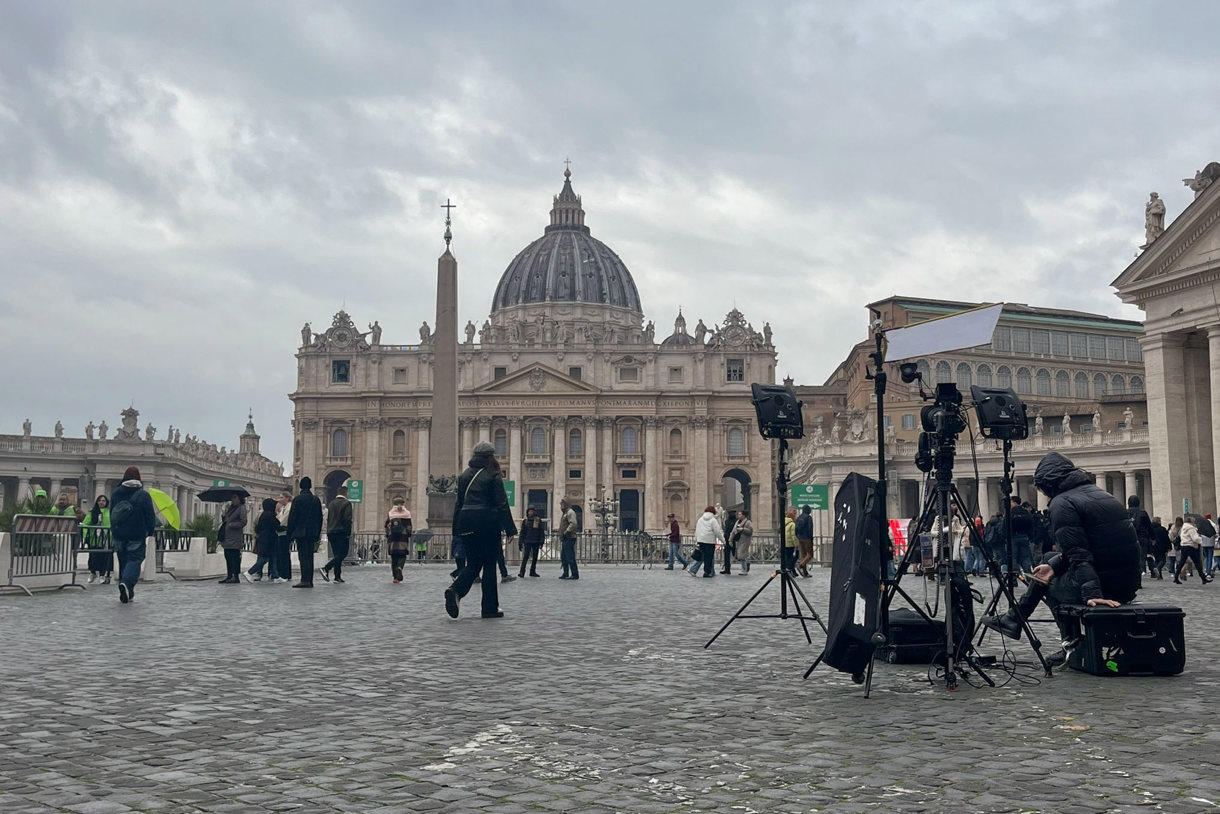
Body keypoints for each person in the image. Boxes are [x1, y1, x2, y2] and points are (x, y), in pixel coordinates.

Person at [983, 452, 1143, 666]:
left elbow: (1079, 554)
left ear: (1048, 483)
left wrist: (1092, 595)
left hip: (1106, 587)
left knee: (1046, 585)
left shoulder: (1062, 503)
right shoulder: (1101, 494)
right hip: (1126, 581)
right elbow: (1091, 547)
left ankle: (1070, 643)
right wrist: (1053, 566)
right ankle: (1015, 618)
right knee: (1048, 561)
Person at [444, 442, 517, 619]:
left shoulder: (463, 476)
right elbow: (501, 503)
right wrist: (510, 529)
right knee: (490, 565)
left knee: (474, 563)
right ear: (491, 456)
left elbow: (458, 505)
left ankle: (455, 590)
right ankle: (489, 608)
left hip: (466, 523)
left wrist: (456, 530)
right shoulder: (493, 475)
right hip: (487, 523)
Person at [109, 466, 157, 604]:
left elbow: (111, 513)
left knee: (123, 560)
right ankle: (127, 584)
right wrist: (150, 530)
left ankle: (128, 591)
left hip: (118, 533)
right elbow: (150, 516)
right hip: (136, 533)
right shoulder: (143, 495)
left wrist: (114, 529)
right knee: (135, 559)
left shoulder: (116, 493)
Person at [286, 477, 323, 588]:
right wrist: (318, 532)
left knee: (303, 557)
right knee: (310, 556)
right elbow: (319, 518)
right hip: (312, 532)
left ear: (300, 486)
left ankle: (304, 580)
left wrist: (290, 533)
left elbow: (292, 518)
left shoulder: (297, 499)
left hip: (300, 532)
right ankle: (310, 580)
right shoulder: (316, 499)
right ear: (310, 486)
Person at [245, 498, 284, 583]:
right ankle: (249, 572)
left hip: (265, 539)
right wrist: (287, 528)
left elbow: (257, 527)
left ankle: (275, 576)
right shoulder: (270, 515)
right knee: (264, 559)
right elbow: (277, 526)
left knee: (273, 557)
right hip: (268, 540)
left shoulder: (264, 514)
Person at [322, 485, 354, 583]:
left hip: (331, 531)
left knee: (337, 554)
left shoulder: (331, 503)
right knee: (343, 553)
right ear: (346, 493)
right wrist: (348, 532)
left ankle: (337, 576)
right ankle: (326, 568)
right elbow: (347, 519)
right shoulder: (347, 503)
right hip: (341, 532)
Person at [82, 495, 113, 585]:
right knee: (92, 556)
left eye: (103, 500)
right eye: (99, 500)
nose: (101, 502)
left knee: (104, 557)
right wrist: (86, 535)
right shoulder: (92, 512)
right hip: (94, 538)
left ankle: (102, 575)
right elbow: (85, 524)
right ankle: (93, 572)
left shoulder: (110, 512)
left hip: (106, 538)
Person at [218, 494, 248, 584]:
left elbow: (243, 521)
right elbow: (226, 520)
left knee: (234, 557)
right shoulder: (231, 508)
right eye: (232, 497)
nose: (233, 499)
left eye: (235, 497)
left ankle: (235, 576)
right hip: (227, 537)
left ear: (239, 498)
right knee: (228, 557)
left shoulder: (241, 508)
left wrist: (232, 525)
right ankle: (229, 575)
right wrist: (224, 516)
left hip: (235, 537)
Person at [688, 505, 724, 578]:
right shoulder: (713, 520)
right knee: (708, 557)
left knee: (703, 556)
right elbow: (717, 531)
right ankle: (707, 572)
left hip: (701, 540)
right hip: (709, 541)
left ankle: (710, 571)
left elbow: (697, 530)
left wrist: (696, 539)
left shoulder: (701, 519)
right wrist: (723, 540)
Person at [1173, 515, 1210, 585]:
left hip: (1184, 546)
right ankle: (1203, 578)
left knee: (1182, 562)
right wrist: (1200, 539)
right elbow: (1195, 538)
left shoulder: (1184, 527)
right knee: (1197, 563)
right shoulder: (1191, 528)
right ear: (1191, 521)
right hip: (1190, 546)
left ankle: (1176, 577)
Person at [1002, 497, 1035, 574]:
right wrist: (1030, 537)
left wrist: (1005, 538)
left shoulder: (1010, 512)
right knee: (1025, 559)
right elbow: (1032, 525)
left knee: (1013, 558)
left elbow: (1004, 526)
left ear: (1014, 502)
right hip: (1024, 537)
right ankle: (1029, 577)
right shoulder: (1026, 513)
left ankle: (1015, 577)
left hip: (1013, 538)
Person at [1127, 495, 1156, 579]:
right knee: (1141, 558)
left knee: (1130, 558)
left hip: (1129, 538)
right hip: (1142, 537)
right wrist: (1153, 538)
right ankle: (1138, 580)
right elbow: (1150, 526)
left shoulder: (1125, 512)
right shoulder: (1143, 513)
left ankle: (1131, 577)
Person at [385, 497, 413, 583]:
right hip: (403, 538)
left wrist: (387, 535)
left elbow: (386, 526)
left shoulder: (391, 514)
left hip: (393, 537)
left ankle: (395, 577)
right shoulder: (407, 514)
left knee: (394, 557)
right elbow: (409, 527)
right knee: (402, 555)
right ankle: (400, 567)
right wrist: (408, 534)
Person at [517, 507, 544, 578]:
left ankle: (532, 571)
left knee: (535, 557)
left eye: (532, 511)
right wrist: (520, 542)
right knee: (525, 557)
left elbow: (541, 531)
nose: (531, 513)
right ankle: (522, 571)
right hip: (527, 541)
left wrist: (542, 541)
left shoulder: (538, 520)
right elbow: (522, 532)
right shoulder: (525, 521)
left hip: (536, 541)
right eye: (529, 511)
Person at [556, 498, 579, 580]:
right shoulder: (565, 513)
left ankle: (574, 574)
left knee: (570, 556)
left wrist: (566, 532)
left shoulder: (570, 512)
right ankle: (565, 573)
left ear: (566, 504)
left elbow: (573, 524)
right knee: (564, 556)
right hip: (566, 538)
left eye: (562, 503)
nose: (560, 505)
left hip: (569, 537)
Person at [275, 492, 294, 582]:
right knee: (282, 553)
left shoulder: (289, 507)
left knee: (284, 554)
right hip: (281, 533)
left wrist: (277, 523)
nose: (280, 499)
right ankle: (285, 574)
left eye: (281, 497)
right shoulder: (283, 507)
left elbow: (282, 520)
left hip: (284, 532)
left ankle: (285, 574)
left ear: (287, 498)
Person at [730, 509, 753, 574]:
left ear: (744, 515)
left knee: (741, 555)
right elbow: (733, 531)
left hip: (745, 540)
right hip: (738, 540)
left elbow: (750, 531)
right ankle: (746, 564)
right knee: (740, 555)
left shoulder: (748, 522)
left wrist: (743, 529)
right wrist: (730, 539)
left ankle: (744, 570)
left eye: (740, 514)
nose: (738, 515)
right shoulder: (737, 522)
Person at [794, 504, 815, 578]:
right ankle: (800, 565)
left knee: (803, 556)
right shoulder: (809, 518)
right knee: (810, 555)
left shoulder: (798, 518)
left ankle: (805, 573)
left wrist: (798, 536)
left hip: (800, 538)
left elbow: (795, 529)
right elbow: (810, 529)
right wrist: (811, 538)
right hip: (807, 538)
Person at [1151, 516, 1171, 580]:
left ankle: (1159, 575)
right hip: (1162, 547)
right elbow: (1166, 539)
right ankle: (1158, 568)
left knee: (1157, 560)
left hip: (1154, 547)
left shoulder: (1151, 529)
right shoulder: (1162, 529)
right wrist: (1169, 547)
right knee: (1163, 560)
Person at [720, 510, 738, 575]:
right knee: (726, 555)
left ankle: (745, 567)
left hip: (734, 540)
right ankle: (727, 569)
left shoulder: (737, 521)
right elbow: (726, 530)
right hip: (727, 540)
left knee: (739, 555)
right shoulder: (726, 521)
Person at [782, 507, 798, 575]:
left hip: (784, 543)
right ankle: (789, 569)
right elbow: (793, 536)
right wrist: (796, 544)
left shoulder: (783, 522)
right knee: (793, 557)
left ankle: (792, 571)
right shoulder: (792, 524)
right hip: (790, 544)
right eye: (794, 513)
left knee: (788, 557)